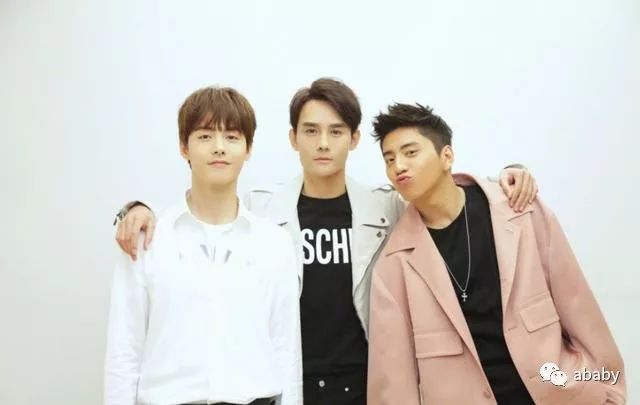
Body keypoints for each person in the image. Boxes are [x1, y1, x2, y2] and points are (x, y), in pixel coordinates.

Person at [113, 78, 538, 405]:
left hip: (366, 384)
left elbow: (437, 190)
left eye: (336, 132)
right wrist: (135, 210)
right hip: (292, 385)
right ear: (292, 138)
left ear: (354, 139)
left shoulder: (385, 208)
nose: (322, 144)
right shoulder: (263, 212)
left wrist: (504, 178)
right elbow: (209, 210)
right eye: (311, 130)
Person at [366, 102, 626, 404]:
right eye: (389, 159)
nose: (398, 166)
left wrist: (609, 394)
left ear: (447, 156)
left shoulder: (521, 212)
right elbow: (394, 382)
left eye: (410, 152)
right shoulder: (393, 265)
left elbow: (580, 310)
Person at [104, 86, 302, 405]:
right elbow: (124, 352)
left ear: (248, 148)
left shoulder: (274, 243)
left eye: (232, 137)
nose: (219, 148)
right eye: (205, 136)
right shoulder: (147, 239)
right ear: (184, 146)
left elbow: (286, 350)